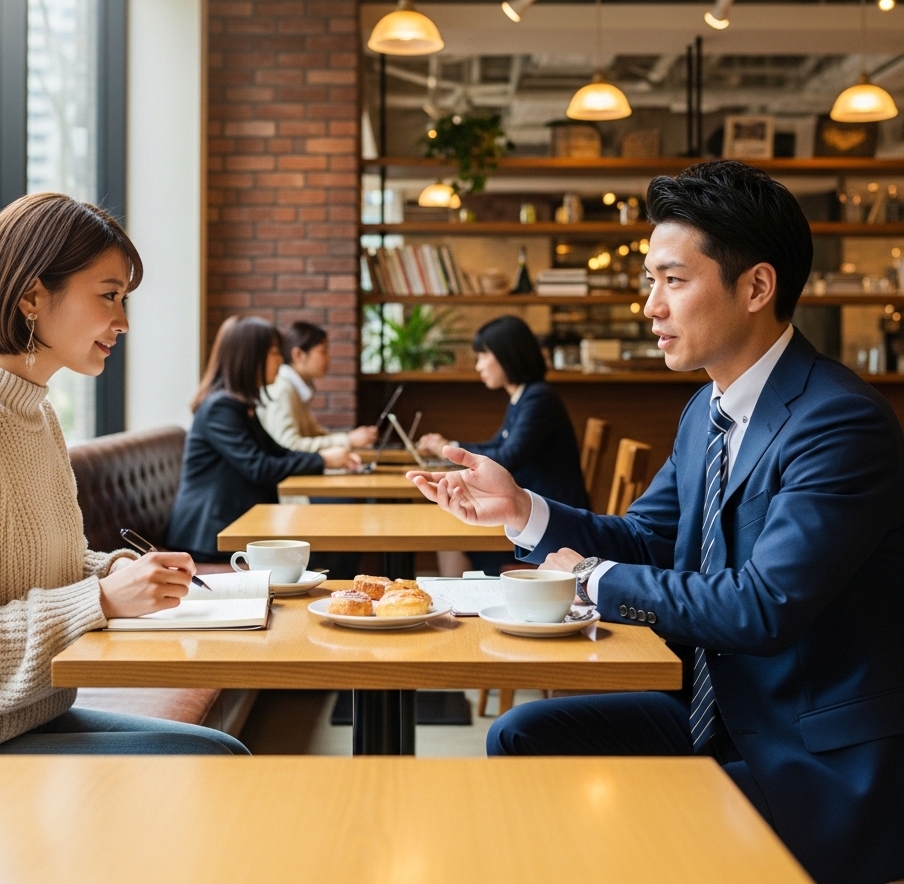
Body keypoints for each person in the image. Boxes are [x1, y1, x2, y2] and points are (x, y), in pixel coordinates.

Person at [407, 161, 903, 884]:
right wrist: (523, 511)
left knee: (617, 835)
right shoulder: (706, 410)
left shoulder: (839, 422)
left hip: (808, 759)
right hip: (716, 716)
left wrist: (589, 578)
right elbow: (646, 539)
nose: (650, 307)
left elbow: (762, 607)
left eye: (673, 280)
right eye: (650, 281)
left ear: (756, 287)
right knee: (522, 737)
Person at [0, 193, 247, 756]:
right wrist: (99, 599)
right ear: (32, 295)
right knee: (213, 762)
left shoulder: (35, 414)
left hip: (25, 722)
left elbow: (45, 566)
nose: (122, 322)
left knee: (219, 756)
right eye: (108, 296)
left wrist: (125, 572)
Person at [165, 317, 360, 561]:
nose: (280, 360)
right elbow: (260, 468)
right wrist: (323, 460)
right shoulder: (220, 408)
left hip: (236, 523)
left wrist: (325, 458)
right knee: (331, 548)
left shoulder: (240, 405)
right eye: (274, 352)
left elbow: (277, 451)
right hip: (208, 536)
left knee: (335, 538)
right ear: (251, 357)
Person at [416, 314, 588, 576]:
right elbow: (497, 446)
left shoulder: (539, 398)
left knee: (449, 538)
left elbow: (508, 456)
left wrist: (448, 448)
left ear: (508, 355)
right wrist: (450, 447)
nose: (478, 366)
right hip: (534, 512)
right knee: (450, 528)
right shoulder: (524, 397)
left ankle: (461, 601)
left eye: (483, 355)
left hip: (548, 522)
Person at [258, 321, 378, 452]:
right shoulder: (283, 390)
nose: (328, 358)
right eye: (323, 351)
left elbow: (313, 433)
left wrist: (351, 438)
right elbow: (288, 445)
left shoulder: (294, 388)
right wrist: (347, 440)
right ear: (298, 355)